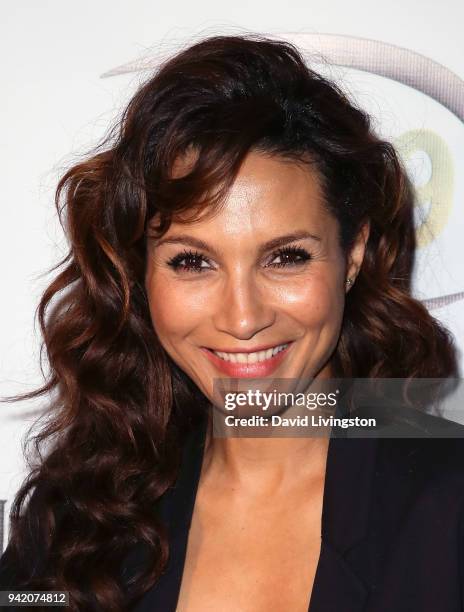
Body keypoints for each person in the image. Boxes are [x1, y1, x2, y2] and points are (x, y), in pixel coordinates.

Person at [1, 33, 464, 612]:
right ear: (140, 273)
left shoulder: (448, 504)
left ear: (353, 256)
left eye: (286, 257)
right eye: (192, 262)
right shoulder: (76, 517)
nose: (242, 318)